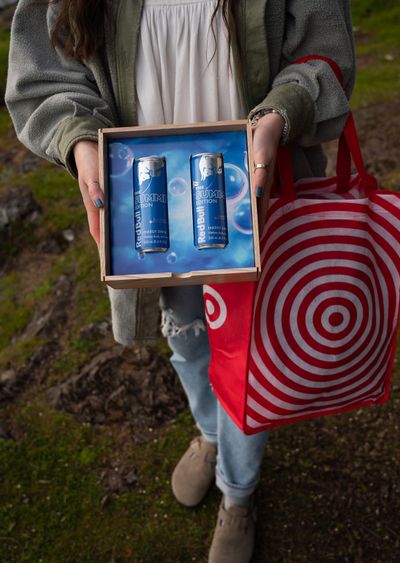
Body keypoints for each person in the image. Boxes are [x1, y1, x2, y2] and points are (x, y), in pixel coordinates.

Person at [5, 1, 355, 561]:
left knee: (251, 355)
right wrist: (78, 136)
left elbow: (325, 53)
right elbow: (45, 72)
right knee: (187, 335)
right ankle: (211, 434)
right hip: (150, 207)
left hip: (253, 201)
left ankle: (239, 492)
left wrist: (282, 112)